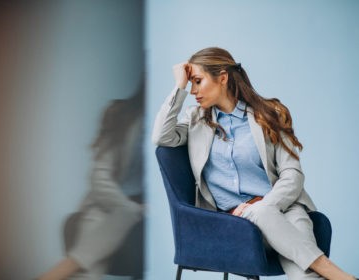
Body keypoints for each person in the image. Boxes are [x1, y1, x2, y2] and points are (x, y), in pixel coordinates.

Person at [152, 47, 357, 280]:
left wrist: (267, 205)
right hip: (235, 224)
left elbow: (293, 174)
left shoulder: (269, 115)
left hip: (281, 208)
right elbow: (161, 136)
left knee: (303, 269)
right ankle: (336, 273)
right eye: (190, 84)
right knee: (281, 231)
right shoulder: (195, 120)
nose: (193, 91)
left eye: (197, 81)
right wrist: (178, 86)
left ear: (222, 77)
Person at [38, 86, 145, 280]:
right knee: (88, 269)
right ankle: (70, 268)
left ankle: (66, 267)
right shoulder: (123, 114)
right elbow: (99, 176)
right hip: (109, 203)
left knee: (124, 216)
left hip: (146, 208)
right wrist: (124, 207)